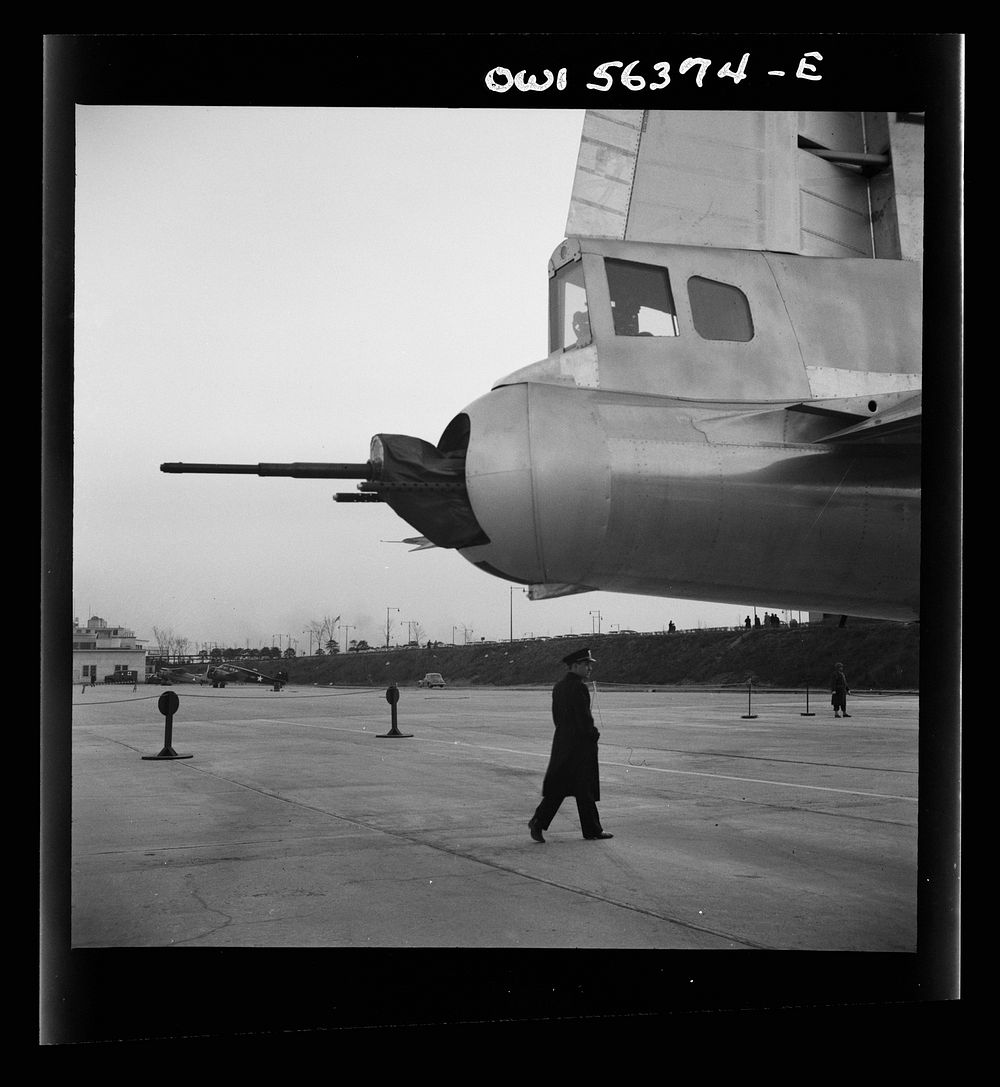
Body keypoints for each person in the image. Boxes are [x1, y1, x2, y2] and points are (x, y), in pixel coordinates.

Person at [528, 648, 612, 843]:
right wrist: (593, 735)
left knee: (559, 788)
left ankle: (538, 821)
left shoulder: (559, 687)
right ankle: (592, 830)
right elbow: (584, 719)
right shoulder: (579, 688)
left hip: (563, 744)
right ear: (575, 666)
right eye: (586, 664)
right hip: (580, 747)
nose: (590, 668)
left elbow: (558, 718)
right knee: (585, 788)